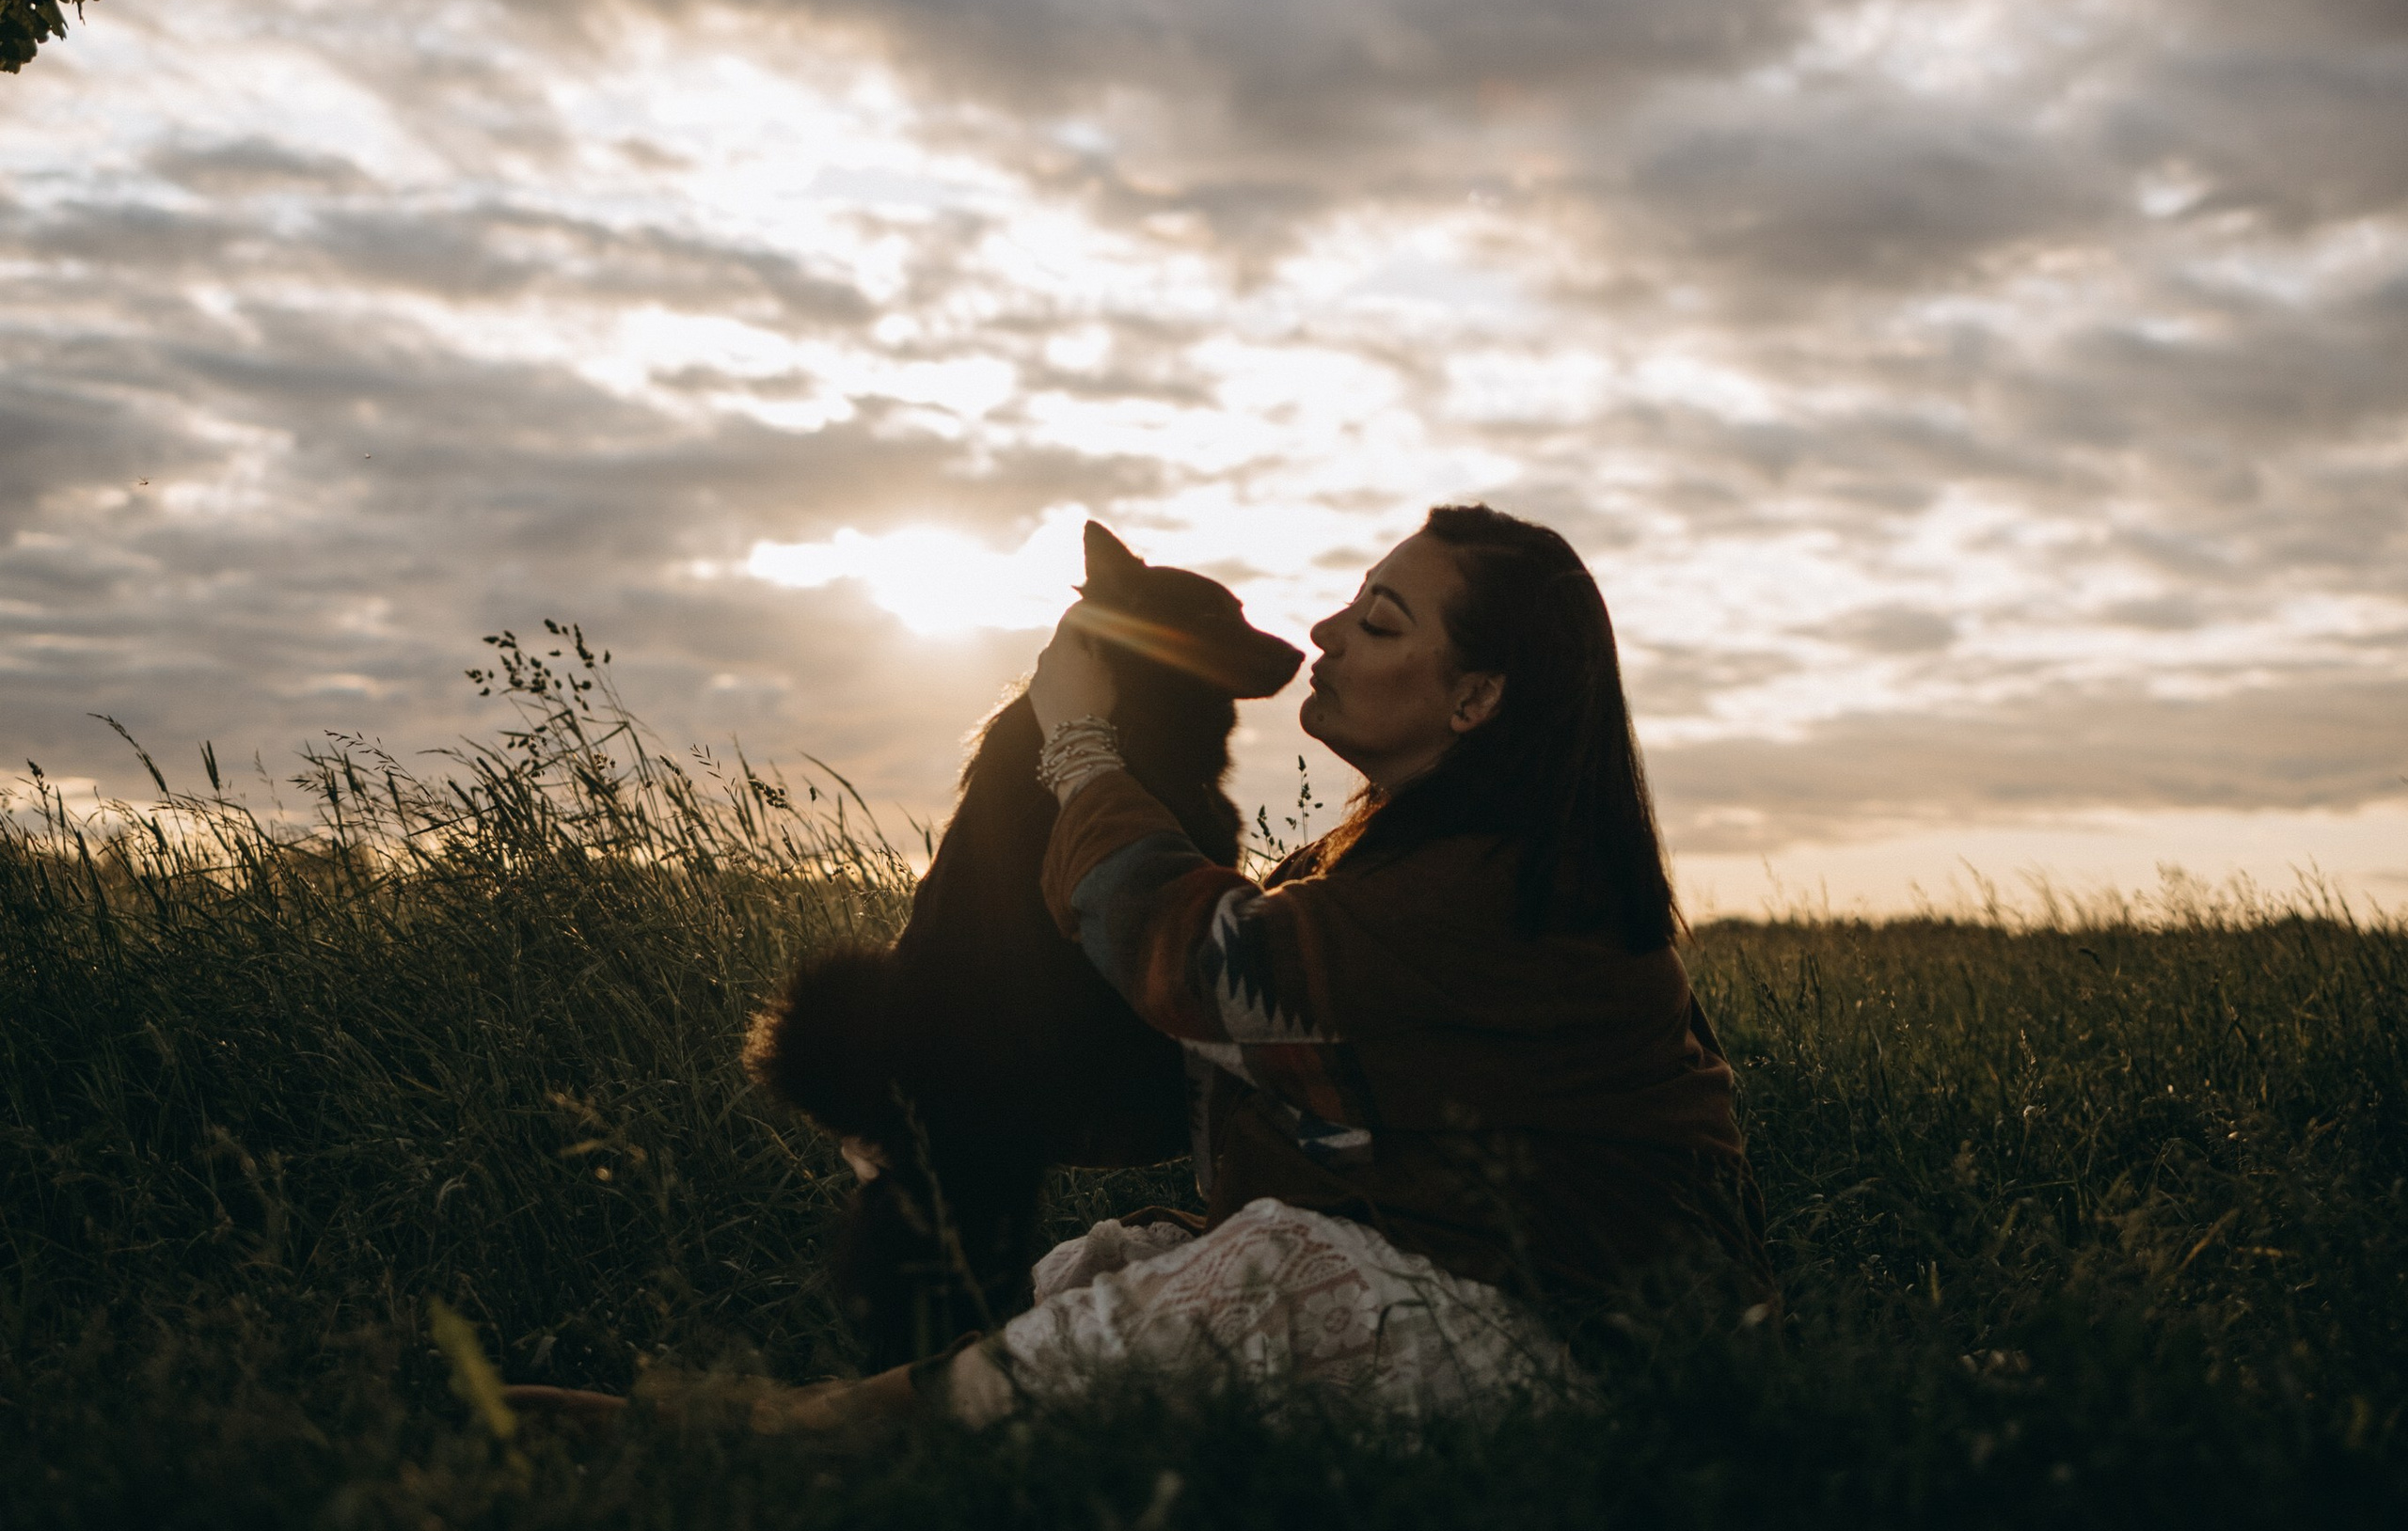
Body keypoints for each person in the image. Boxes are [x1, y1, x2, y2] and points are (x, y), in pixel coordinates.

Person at [507, 504, 1762, 1444]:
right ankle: (878, 1422)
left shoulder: (1504, 884)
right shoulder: (1382, 864)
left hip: (1590, 1351)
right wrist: (929, 1094)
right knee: (1110, 1267)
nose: (1325, 632)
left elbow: (1203, 973)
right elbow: (1211, 1072)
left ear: (1478, 698)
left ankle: (794, 1442)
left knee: (1268, 1270)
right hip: (1460, 1289)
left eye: (1379, 622)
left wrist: (1080, 744)